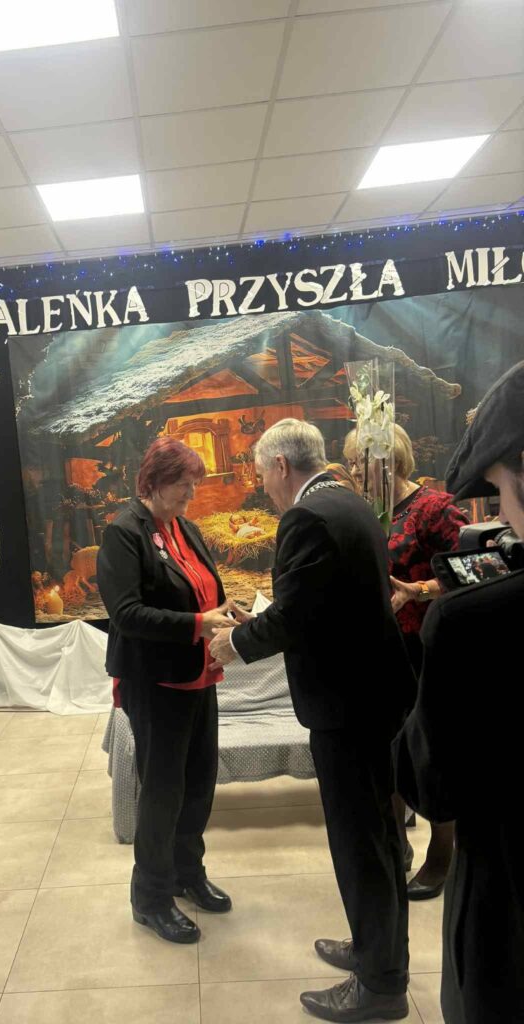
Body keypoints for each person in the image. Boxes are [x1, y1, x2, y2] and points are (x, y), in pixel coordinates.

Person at [210, 419, 414, 1022]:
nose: (262, 487)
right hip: (373, 698)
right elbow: (323, 602)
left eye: (261, 475)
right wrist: (260, 621)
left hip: (347, 708)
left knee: (361, 845)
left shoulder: (305, 517)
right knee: (378, 838)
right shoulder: (349, 502)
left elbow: (296, 617)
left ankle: (380, 986)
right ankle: (375, 948)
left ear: (280, 466)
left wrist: (235, 643)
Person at [393, 361, 524, 1024]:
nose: (499, 515)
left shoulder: (471, 623)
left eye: (499, 490)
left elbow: (431, 786)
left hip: (509, 926)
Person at [96, 437, 238, 945]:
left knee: (198, 782)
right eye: (183, 484)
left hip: (199, 675)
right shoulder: (124, 533)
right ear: (154, 482)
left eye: (194, 483)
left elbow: (205, 591)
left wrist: (227, 613)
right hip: (156, 681)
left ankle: (187, 873)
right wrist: (198, 624)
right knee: (162, 791)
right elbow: (126, 614)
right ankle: (151, 898)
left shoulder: (185, 527)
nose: (192, 493)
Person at [345, 424, 468, 900]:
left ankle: (442, 855)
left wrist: (419, 590)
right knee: (388, 751)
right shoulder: (366, 510)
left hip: (429, 650)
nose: (354, 470)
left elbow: (477, 568)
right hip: (382, 650)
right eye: (350, 462)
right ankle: (395, 847)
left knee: (432, 753)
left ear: (390, 460)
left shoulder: (434, 507)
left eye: (360, 461)